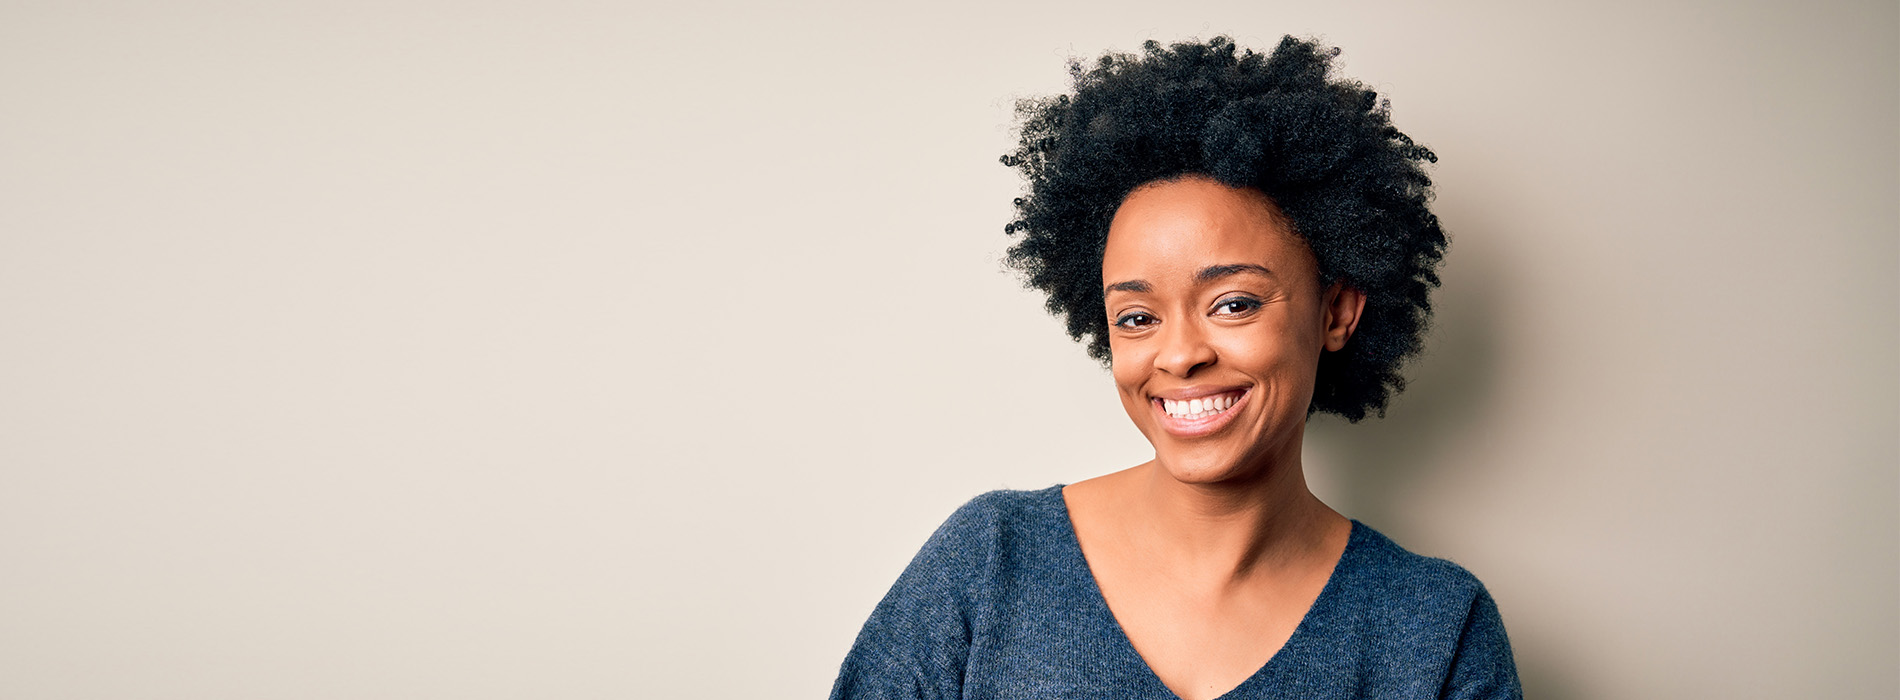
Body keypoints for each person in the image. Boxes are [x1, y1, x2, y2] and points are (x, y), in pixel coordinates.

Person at [830, 36, 1520, 700]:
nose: (1180, 353)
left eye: (1233, 303)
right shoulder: (987, 566)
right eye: (1137, 317)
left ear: (1336, 312)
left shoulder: (1434, 629)